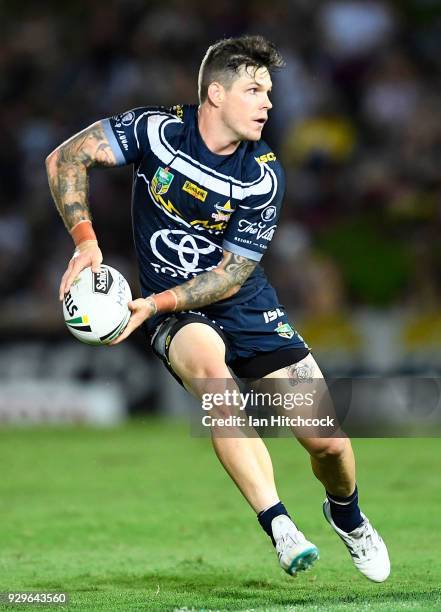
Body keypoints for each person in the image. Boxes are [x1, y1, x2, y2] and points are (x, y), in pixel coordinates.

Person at [46, 35, 390, 581]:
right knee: (213, 379)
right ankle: (279, 525)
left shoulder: (261, 174)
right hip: (175, 313)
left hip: (241, 301)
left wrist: (152, 301)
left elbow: (231, 275)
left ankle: (346, 515)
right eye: (255, 89)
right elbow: (67, 158)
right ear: (216, 94)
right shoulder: (156, 132)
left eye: (270, 91)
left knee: (327, 441)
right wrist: (86, 240)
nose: (269, 103)